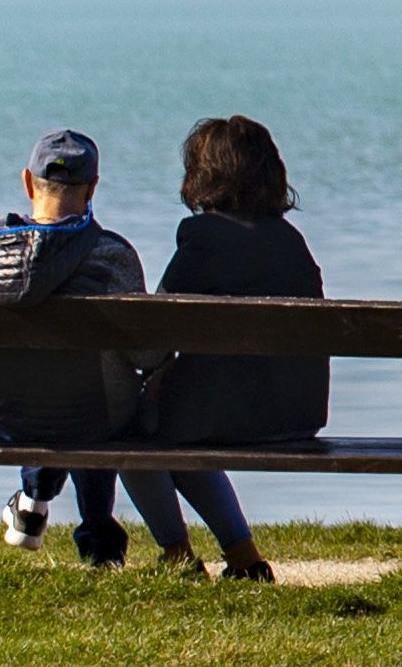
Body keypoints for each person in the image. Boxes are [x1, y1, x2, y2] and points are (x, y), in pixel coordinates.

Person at [128, 115, 316, 582]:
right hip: (296, 416)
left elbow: (151, 342)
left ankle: (177, 555)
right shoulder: (293, 243)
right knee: (176, 426)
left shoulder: (203, 239)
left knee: (130, 429)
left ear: (202, 175)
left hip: (227, 418)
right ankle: (244, 558)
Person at [0, 130, 148, 567]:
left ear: (28, 183)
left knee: (56, 392)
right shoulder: (112, 255)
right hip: (98, 420)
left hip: (13, 420)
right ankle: (99, 541)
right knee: (94, 399)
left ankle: (33, 504)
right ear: (93, 187)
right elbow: (145, 356)